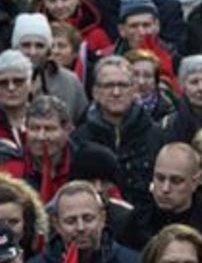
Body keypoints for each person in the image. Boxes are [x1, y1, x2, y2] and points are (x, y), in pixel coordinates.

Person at [117, 142, 202, 263]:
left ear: (194, 182)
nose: (165, 189)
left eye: (176, 181)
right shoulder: (136, 221)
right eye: (160, 178)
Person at [71, 56, 170, 204]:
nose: (116, 92)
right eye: (108, 86)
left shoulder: (156, 136)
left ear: (133, 90)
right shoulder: (78, 139)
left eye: (123, 85)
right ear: (95, 92)